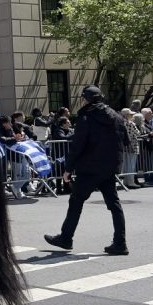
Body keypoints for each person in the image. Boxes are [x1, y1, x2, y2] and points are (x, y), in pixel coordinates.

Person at [45, 85, 130, 256]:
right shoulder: (116, 115)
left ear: (87, 98)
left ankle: (66, 238)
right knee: (114, 204)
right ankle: (120, 243)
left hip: (90, 167)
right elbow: (126, 141)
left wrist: (68, 168)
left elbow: (78, 144)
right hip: (109, 167)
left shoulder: (86, 115)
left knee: (76, 202)